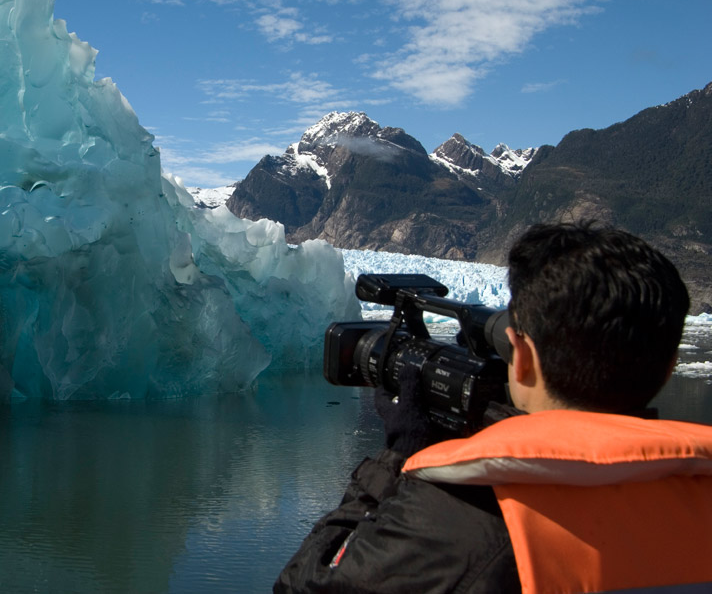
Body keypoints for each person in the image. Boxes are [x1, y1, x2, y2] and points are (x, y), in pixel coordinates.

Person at [275, 221, 712, 593]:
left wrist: (398, 458)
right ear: (671, 364)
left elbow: (302, 583)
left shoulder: (461, 516)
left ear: (520, 356)